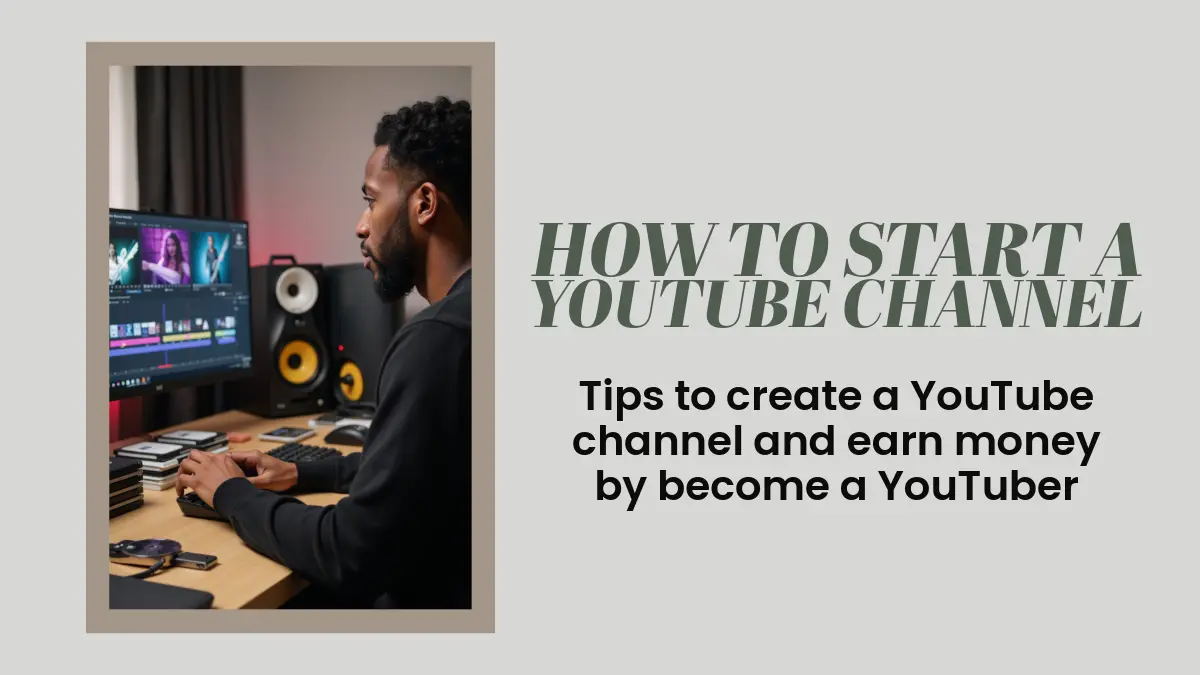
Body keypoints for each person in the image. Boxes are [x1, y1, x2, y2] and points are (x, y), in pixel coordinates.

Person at [175, 96, 473, 609]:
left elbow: (350, 553)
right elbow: (430, 474)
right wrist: (310, 472)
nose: (362, 225)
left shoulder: (438, 338)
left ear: (424, 203)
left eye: (371, 199)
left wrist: (230, 494)